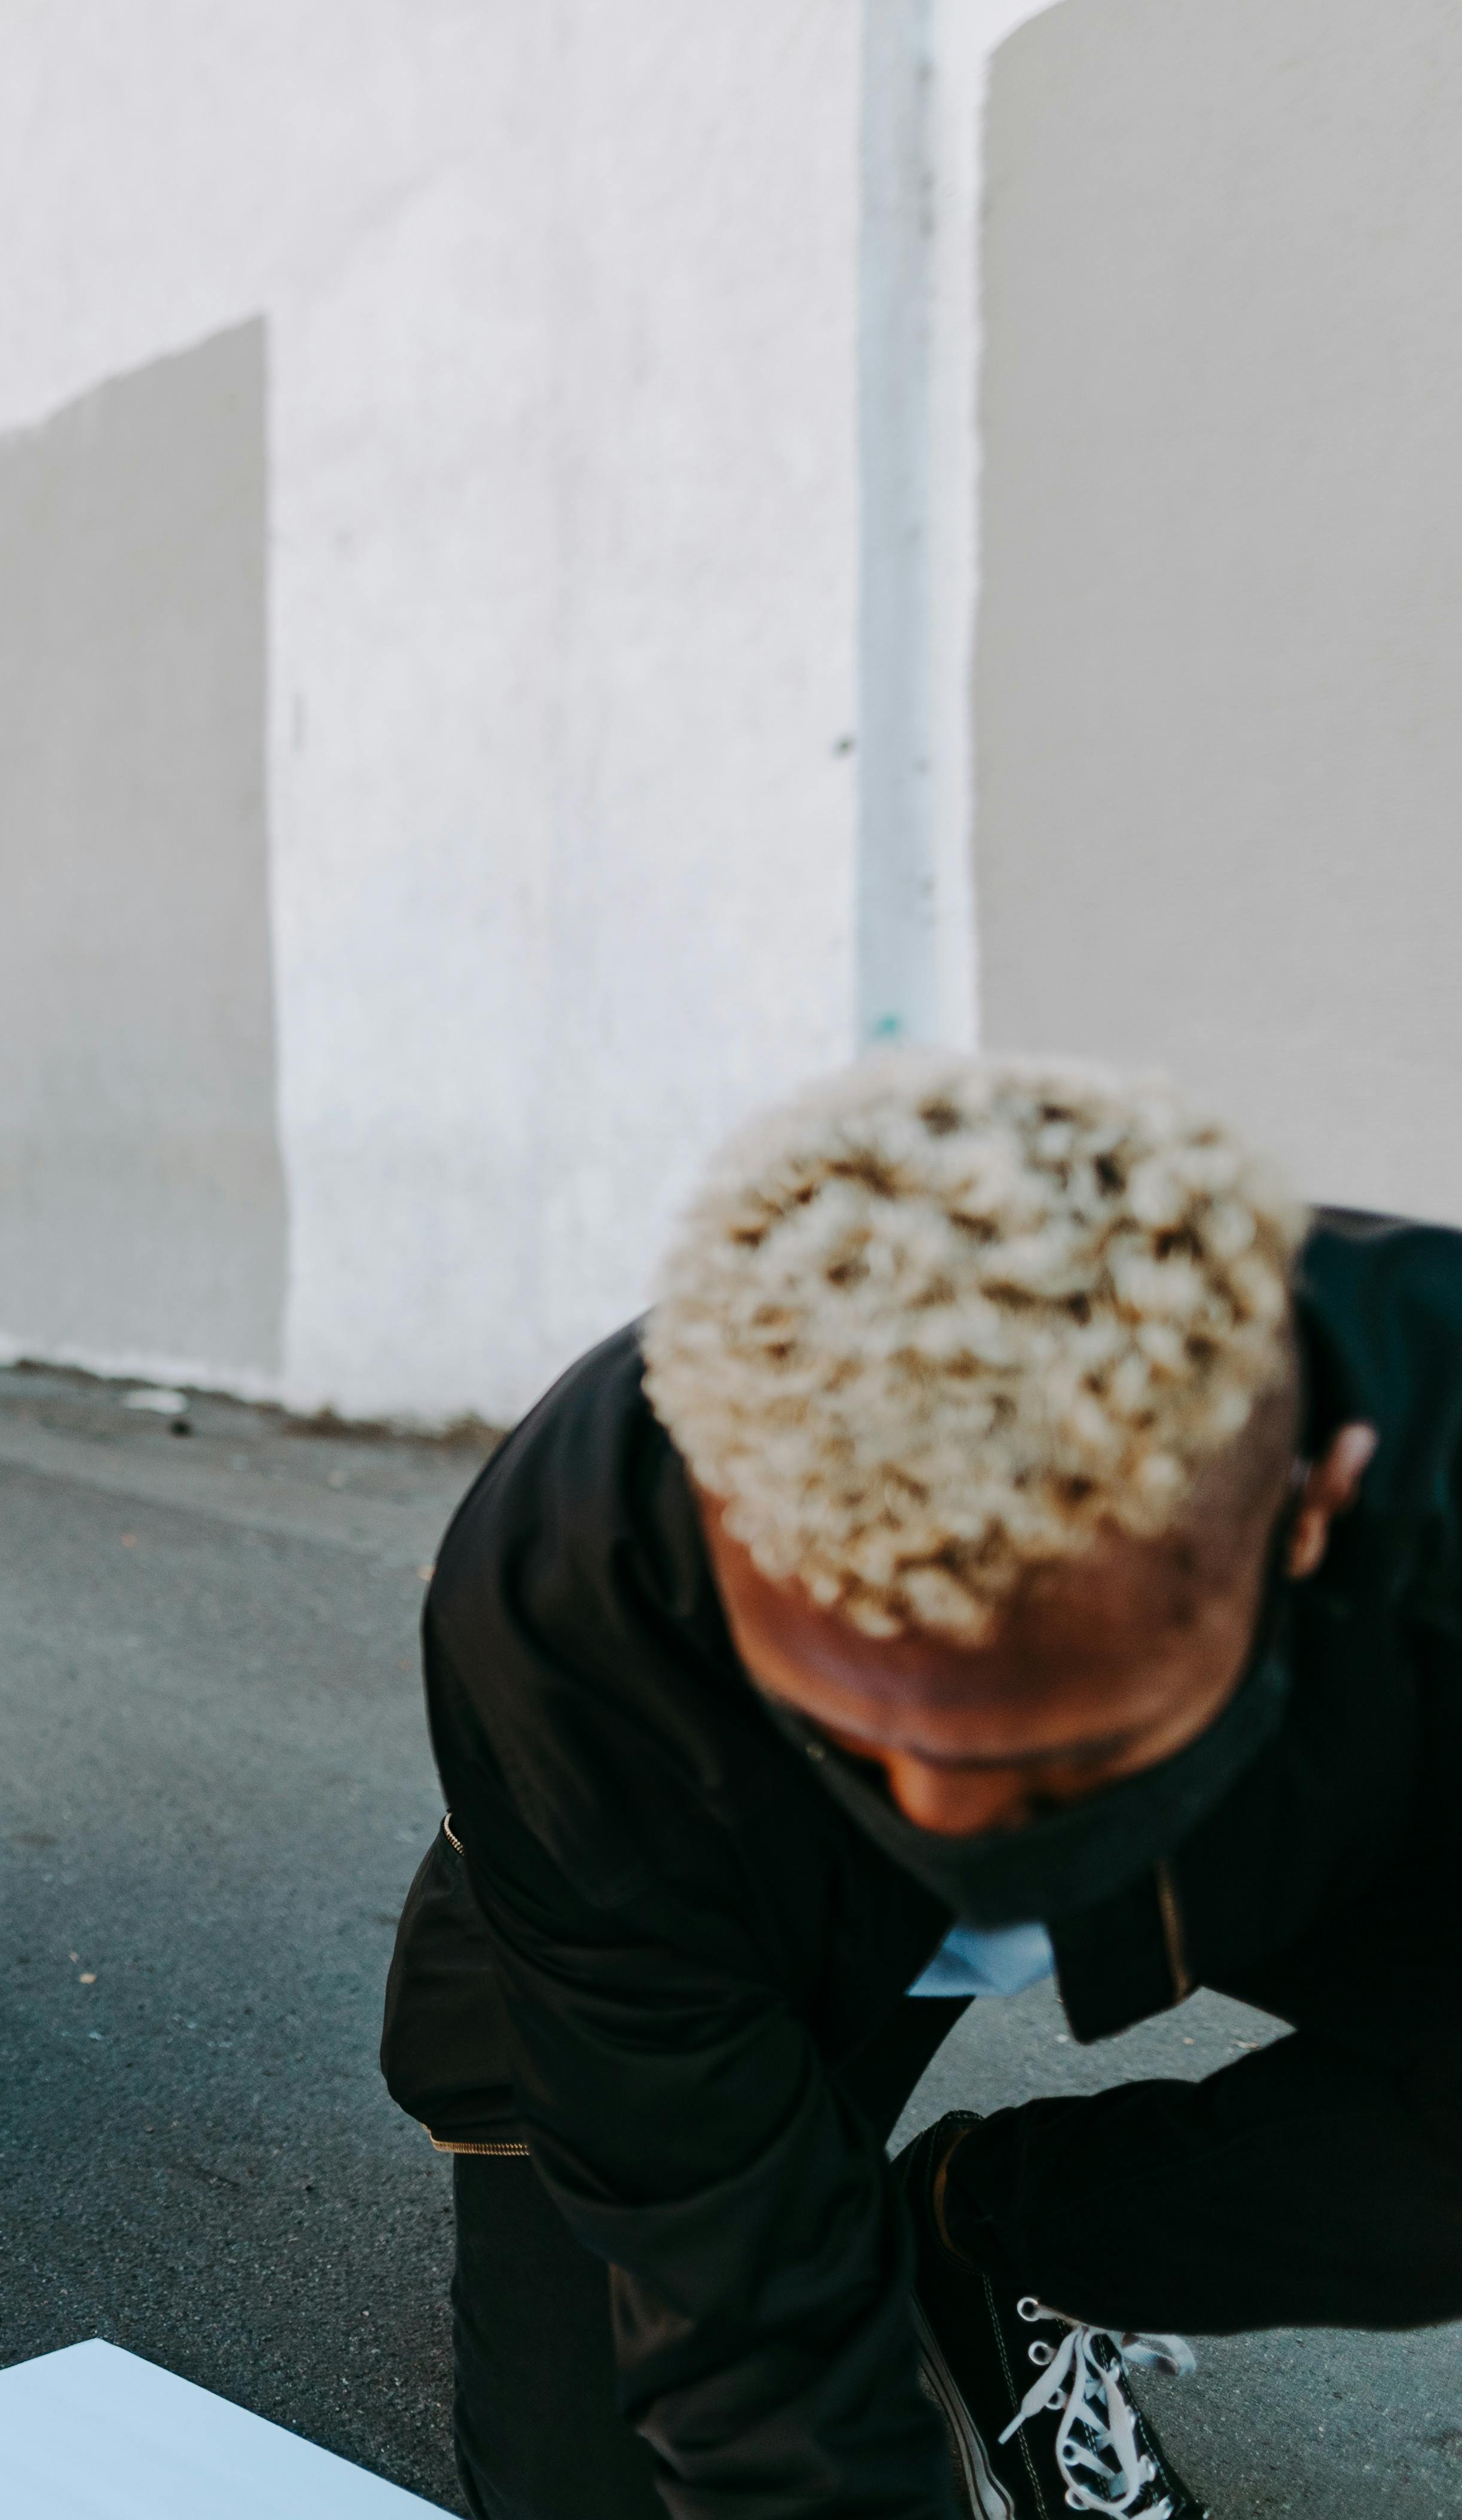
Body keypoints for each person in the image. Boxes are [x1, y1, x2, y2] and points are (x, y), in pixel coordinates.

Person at [380, 1053, 1462, 2518]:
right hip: (729, 1912)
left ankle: (996, 2237)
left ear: (1308, 1517)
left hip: (1276, 1818)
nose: (945, 1832)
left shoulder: (1428, 1458)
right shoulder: (570, 1605)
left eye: (1059, 1759)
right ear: (723, 1526)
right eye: (851, 1733)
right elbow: (741, 2305)